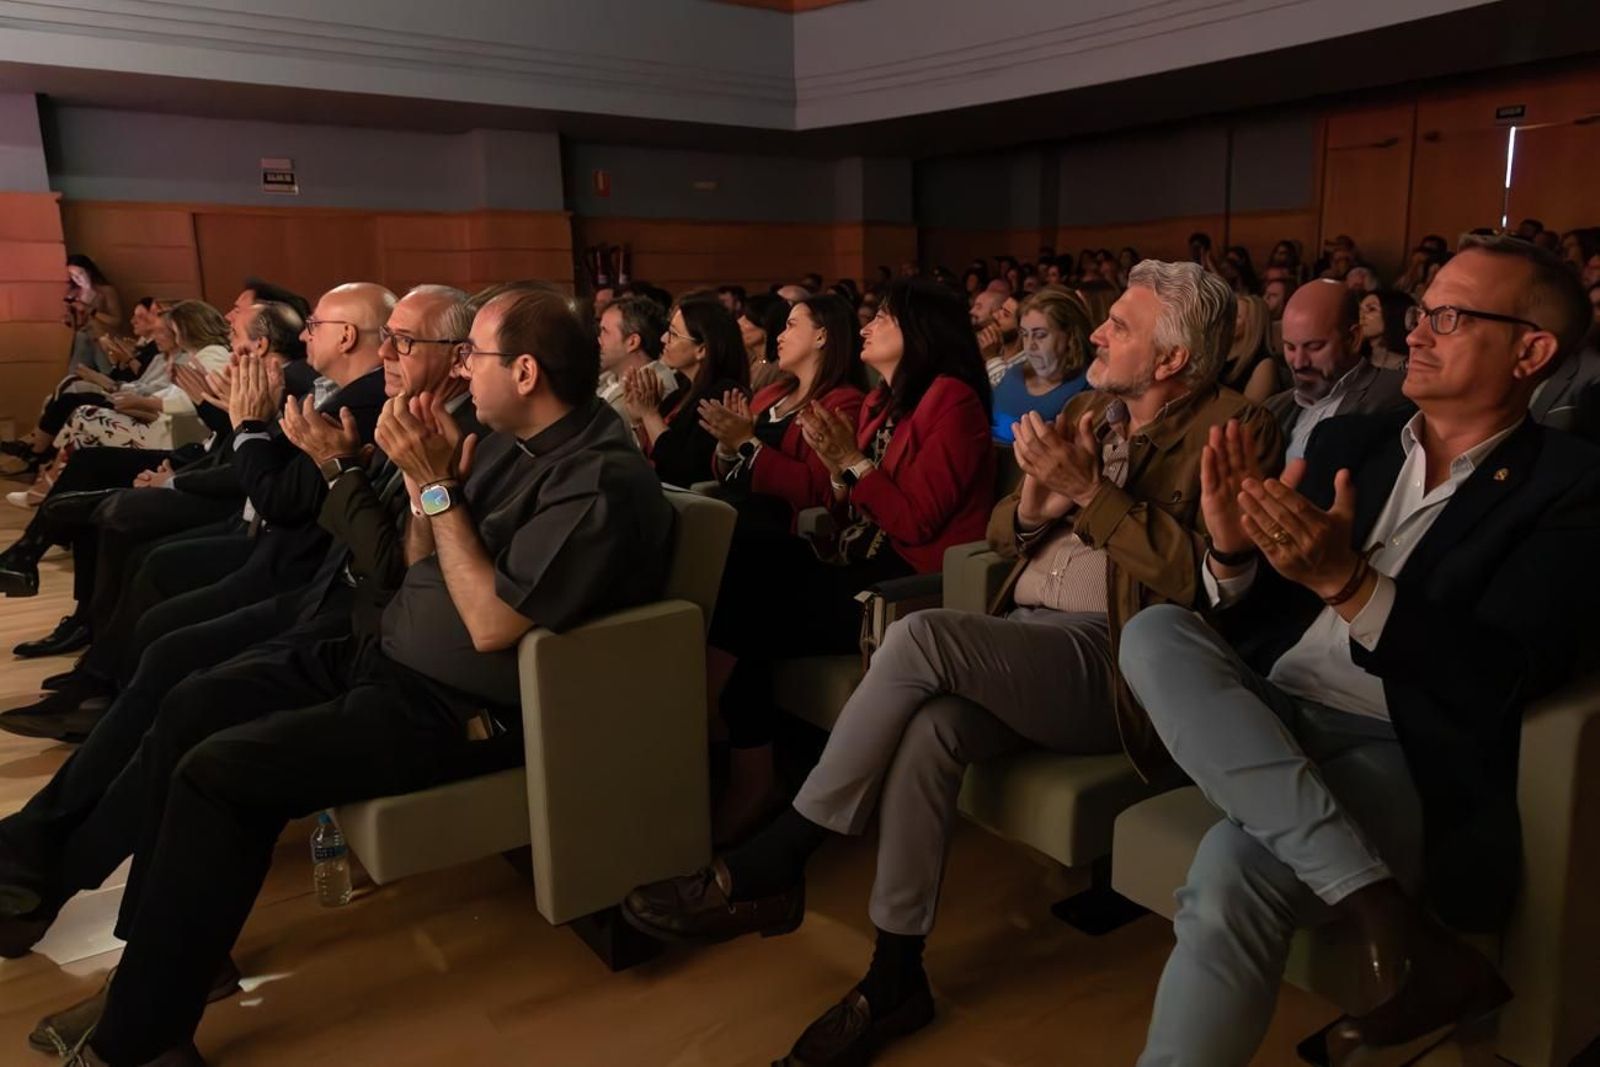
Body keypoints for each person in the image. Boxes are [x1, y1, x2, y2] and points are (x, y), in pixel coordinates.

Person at [622, 261, 1283, 1067]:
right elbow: (1003, 532)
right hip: (1029, 632)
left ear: (1172, 358)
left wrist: (1089, 494)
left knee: (922, 636)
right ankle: (895, 974)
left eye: (1120, 326)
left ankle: (783, 854)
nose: (1099, 334)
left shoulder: (1237, 430)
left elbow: (1205, 587)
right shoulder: (1087, 410)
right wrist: (1037, 502)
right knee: (932, 728)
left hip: (1124, 658)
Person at [17, 285, 676, 1067]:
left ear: (526, 371)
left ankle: (142, 1035)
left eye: (474, 355)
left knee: (219, 773)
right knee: (194, 699)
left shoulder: (597, 477)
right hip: (388, 649)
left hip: (458, 706)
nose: (463, 369)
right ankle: (161, 961)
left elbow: (490, 625)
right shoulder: (503, 435)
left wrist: (434, 488)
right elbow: (415, 562)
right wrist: (422, 485)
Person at [1117, 234, 1600, 1067]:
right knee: (1153, 631)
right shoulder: (1352, 443)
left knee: (1233, 861)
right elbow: (1259, 619)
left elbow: (1501, 673)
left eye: (1450, 317)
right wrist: (1231, 553)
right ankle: (1400, 926)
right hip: (1273, 713)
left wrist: (1348, 582)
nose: (1415, 331)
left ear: (1531, 352)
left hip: (1403, 746)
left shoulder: (1573, 484)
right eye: (1423, 312)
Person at [0, 288, 480, 953]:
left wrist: (285, 441)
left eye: (404, 342)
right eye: (390, 339)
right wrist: (249, 423)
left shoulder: (401, 413)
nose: (389, 354)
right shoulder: (403, 407)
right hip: (324, 589)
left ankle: (48, 868)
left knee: (189, 692)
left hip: (343, 609)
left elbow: (313, 517)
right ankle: (38, 853)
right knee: (175, 668)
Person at [701, 277, 996, 844]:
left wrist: (850, 462)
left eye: (883, 317)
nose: (867, 326)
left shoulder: (953, 400)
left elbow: (915, 522)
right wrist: (841, 471)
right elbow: (846, 506)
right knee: (746, 550)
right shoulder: (884, 401)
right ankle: (737, 756)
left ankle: (735, 759)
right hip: (858, 556)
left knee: (752, 608)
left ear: (920, 331)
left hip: (907, 584)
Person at [701, 293, 866, 530]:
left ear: (821, 336)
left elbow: (818, 492)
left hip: (778, 529)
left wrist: (746, 443)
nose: (779, 336)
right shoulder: (773, 392)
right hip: (737, 512)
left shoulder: (842, 404)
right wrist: (727, 446)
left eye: (791, 325)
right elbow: (728, 476)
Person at [1267, 280, 1410, 461]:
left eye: (1314, 347)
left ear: (1353, 339)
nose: (1298, 363)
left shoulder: (1397, 394)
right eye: (1290, 347)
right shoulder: (1274, 407)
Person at [624, 297, 750, 487]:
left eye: (673, 334)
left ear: (701, 350)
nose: (663, 339)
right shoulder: (681, 390)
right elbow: (650, 453)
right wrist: (638, 420)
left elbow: (682, 469)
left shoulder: (721, 396)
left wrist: (650, 414)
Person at [990, 286, 1092, 439]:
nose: (1029, 346)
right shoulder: (1013, 374)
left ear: (1070, 336)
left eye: (1040, 335)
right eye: (1025, 334)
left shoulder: (1087, 389)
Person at [595, 294, 678, 434]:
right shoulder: (606, 377)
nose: (598, 339)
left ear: (632, 342)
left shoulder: (657, 386)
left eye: (604, 331)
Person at [63, 255, 123, 376]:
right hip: (83, 340)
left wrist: (90, 310)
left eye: (80, 274)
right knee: (76, 372)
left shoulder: (106, 291)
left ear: (88, 271)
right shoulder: (74, 293)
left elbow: (117, 320)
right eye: (72, 275)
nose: (76, 278)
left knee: (107, 373)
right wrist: (69, 317)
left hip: (102, 339)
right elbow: (77, 327)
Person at [1219, 293, 1278, 403]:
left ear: (1253, 323)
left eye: (1237, 316)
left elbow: (1249, 409)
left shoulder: (1264, 365)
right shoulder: (1220, 352)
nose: (1226, 321)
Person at [739, 292, 792, 392]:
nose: (739, 322)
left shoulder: (781, 368)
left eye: (747, 319)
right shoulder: (748, 358)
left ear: (766, 326)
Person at [1360, 288, 1416, 371]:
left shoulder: (1409, 365)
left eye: (1371, 309)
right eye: (1360, 310)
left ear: (1393, 314)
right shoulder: (1358, 361)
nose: (1361, 315)